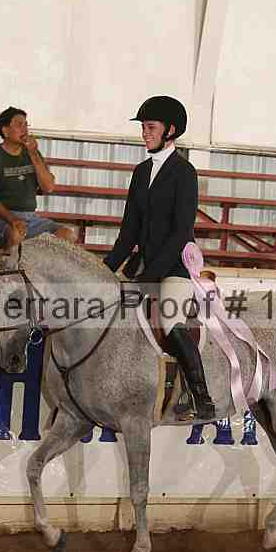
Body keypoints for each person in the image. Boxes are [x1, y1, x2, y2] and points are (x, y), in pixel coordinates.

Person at [103, 96, 215, 421]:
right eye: (143, 127)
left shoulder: (184, 172)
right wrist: (104, 270)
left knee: (170, 320)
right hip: (144, 266)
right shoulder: (140, 172)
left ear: (170, 130)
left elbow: (181, 232)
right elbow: (128, 233)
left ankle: (200, 397)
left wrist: (151, 275)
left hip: (174, 266)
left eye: (150, 127)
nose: (144, 133)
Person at [0, 106, 75, 249]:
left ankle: (39, 262)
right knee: (16, 234)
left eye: (26, 125)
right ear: (5, 131)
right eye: (19, 125)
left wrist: (33, 154)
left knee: (67, 235)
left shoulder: (32, 152)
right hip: (2, 217)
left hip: (30, 218)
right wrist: (13, 220)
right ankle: (10, 262)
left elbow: (48, 187)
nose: (24, 129)